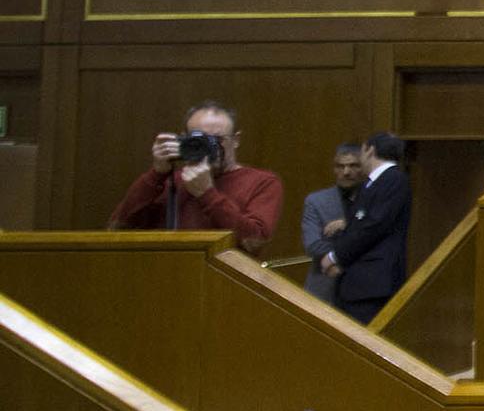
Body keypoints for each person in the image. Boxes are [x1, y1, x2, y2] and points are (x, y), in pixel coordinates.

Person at [108, 100, 282, 257]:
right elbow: (118, 229)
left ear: (235, 140)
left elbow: (254, 241)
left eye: (217, 139)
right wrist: (157, 173)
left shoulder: (262, 182)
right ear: (184, 138)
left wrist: (207, 194)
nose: (208, 146)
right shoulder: (171, 181)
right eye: (199, 139)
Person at [319, 132, 411, 324]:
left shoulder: (393, 179)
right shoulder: (372, 184)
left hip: (373, 284)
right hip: (358, 283)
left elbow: (372, 227)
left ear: (369, 150)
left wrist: (335, 256)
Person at [301, 142, 366, 305]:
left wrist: (348, 225)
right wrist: (356, 248)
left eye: (353, 166)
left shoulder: (374, 200)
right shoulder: (316, 201)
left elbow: (381, 240)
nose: (346, 172)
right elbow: (313, 245)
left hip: (364, 289)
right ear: (334, 169)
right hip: (324, 288)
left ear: (363, 167)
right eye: (340, 166)